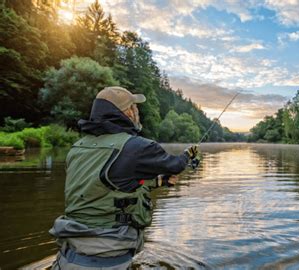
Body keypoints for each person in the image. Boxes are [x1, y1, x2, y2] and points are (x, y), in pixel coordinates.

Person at [49, 86, 199, 269]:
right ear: (128, 112)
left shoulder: (78, 148)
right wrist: (187, 154)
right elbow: (176, 165)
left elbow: (106, 184)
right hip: (109, 255)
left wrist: (160, 181)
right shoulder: (138, 147)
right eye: (136, 108)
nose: (138, 113)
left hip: (68, 254)